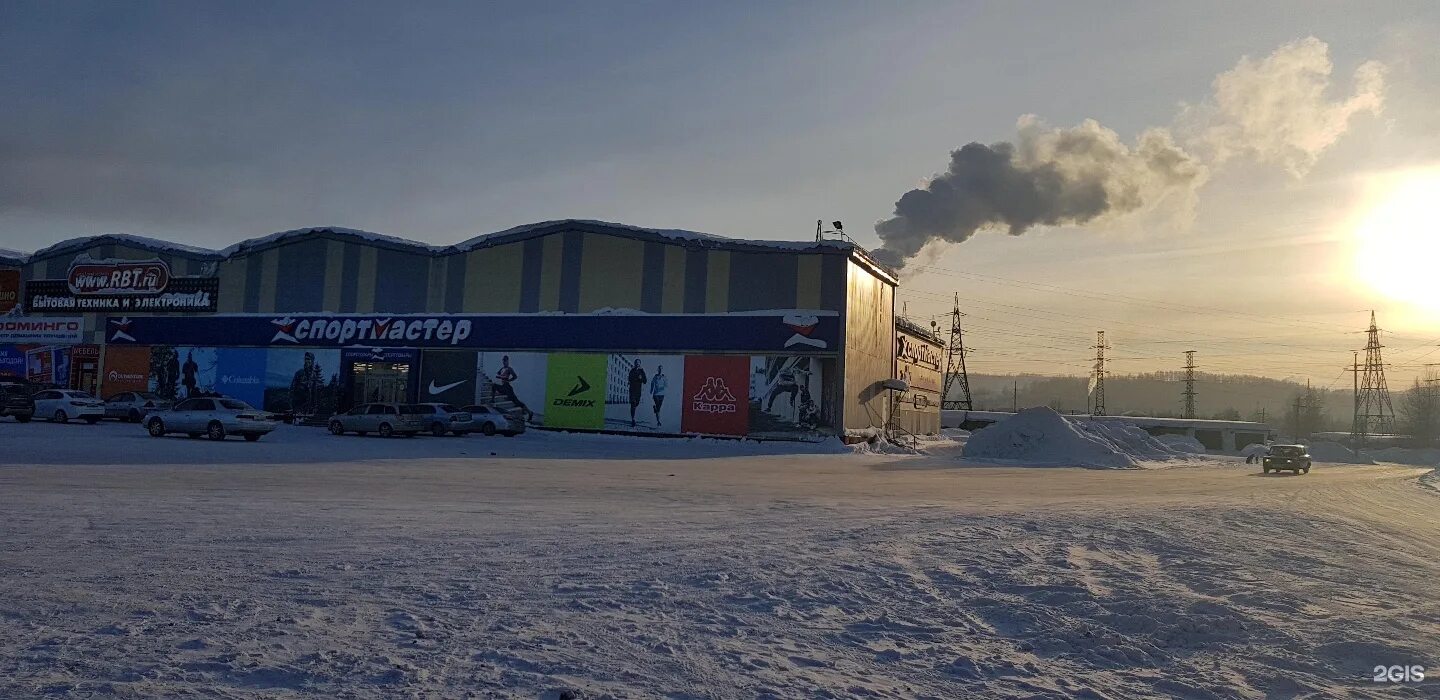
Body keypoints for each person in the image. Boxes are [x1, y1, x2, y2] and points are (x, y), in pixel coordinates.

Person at [493, 355, 532, 421]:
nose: (504, 362)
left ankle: (530, 412)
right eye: (503, 360)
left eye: (505, 361)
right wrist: (499, 377)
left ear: (508, 361)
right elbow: (497, 375)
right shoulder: (502, 369)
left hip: (508, 387)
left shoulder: (509, 369)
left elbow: (515, 376)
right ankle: (492, 399)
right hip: (503, 386)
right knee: (494, 386)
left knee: (516, 402)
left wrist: (508, 380)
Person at [627, 358, 647, 427]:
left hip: (638, 390)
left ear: (640, 364)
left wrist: (641, 378)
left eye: (638, 362)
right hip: (632, 390)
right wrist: (631, 380)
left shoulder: (642, 371)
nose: (637, 363)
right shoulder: (632, 370)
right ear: (634, 363)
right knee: (633, 404)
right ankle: (633, 419)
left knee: (636, 403)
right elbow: (629, 378)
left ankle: (633, 412)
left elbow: (645, 381)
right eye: (636, 362)